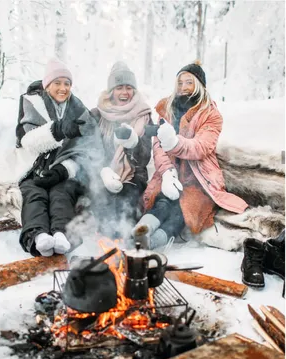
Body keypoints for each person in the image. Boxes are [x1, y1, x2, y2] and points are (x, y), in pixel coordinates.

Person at [135, 61, 248, 249]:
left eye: (189, 82)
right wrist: (167, 173)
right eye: (180, 83)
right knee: (163, 200)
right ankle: (139, 233)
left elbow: (201, 147)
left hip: (199, 179)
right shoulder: (167, 109)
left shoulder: (211, 114)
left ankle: (152, 244)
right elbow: (159, 146)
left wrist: (174, 142)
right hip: (172, 172)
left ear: (199, 85)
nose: (183, 87)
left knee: (184, 208)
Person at [16, 58, 102, 257]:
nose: (63, 88)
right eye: (57, 83)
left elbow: (91, 148)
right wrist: (58, 130)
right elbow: (28, 142)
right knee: (34, 192)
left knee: (61, 192)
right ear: (47, 85)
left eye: (67, 84)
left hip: (66, 171)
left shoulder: (79, 110)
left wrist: (65, 169)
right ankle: (38, 236)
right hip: (36, 168)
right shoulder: (32, 104)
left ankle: (62, 235)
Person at [91, 61, 153, 239]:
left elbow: (145, 157)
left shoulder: (144, 115)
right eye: (119, 88)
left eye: (129, 87)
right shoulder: (97, 114)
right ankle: (107, 251)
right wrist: (103, 171)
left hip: (133, 177)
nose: (125, 92)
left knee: (125, 207)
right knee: (104, 207)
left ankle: (124, 250)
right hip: (102, 176)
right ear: (111, 91)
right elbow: (90, 151)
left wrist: (132, 143)